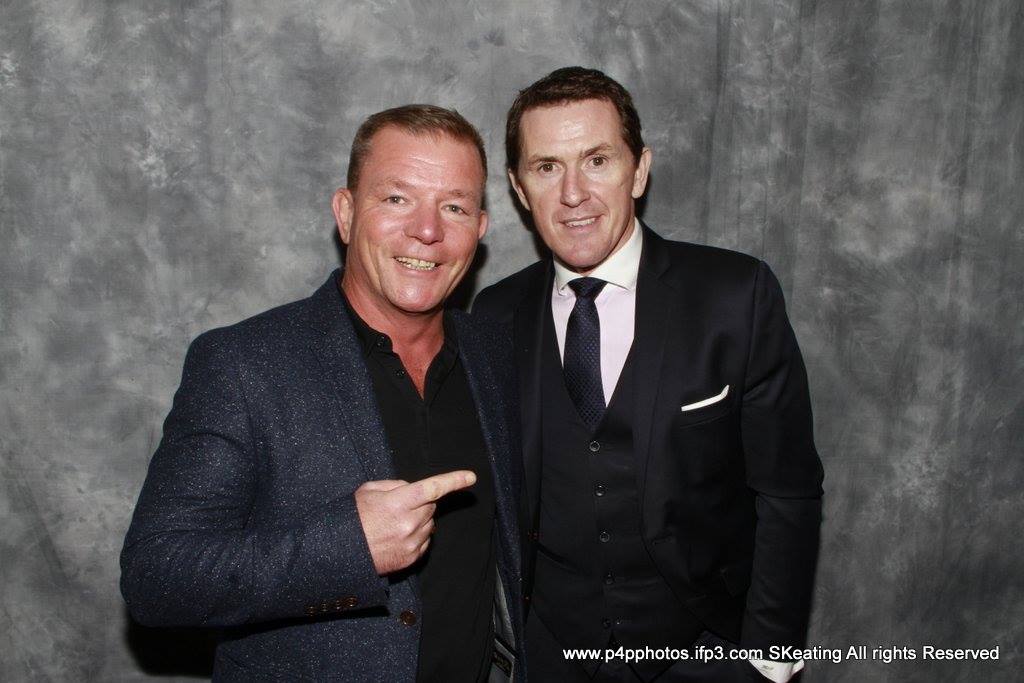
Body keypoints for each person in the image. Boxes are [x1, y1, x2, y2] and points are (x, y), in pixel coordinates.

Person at [121, 104, 523, 682]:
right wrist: (347, 549)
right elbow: (156, 578)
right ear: (346, 212)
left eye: (454, 206)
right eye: (397, 198)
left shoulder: (499, 355)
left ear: (479, 229)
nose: (428, 230)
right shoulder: (243, 364)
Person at [473, 67, 823, 682]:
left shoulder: (735, 296)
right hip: (552, 655)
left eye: (597, 160)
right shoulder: (494, 315)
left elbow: (787, 489)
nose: (573, 193)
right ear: (519, 189)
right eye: (547, 167)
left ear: (639, 171)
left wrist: (772, 658)